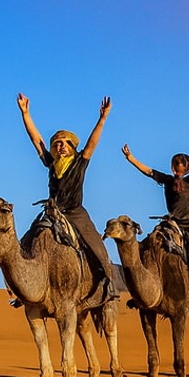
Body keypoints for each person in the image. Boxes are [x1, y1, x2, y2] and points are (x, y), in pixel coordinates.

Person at [16, 92, 117, 298]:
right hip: (53, 212)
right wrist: (25, 113)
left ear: (72, 146)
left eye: (65, 143)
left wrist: (102, 119)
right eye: (58, 143)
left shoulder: (80, 161)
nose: (61, 146)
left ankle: (109, 286)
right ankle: (22, 290)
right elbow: (37, 140)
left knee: (96, 246)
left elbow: (92, 143)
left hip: (75, 212)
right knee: (24, 243)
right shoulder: (51, 163)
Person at [122, 133, 189, 296]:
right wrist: (130, 158)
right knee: (149, 245)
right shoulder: (167, 180)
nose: (178, 168)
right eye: (176, 165)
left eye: (181, 165)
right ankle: (145, 290)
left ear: (187, 168)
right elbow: (149, 172)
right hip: (172, 223)